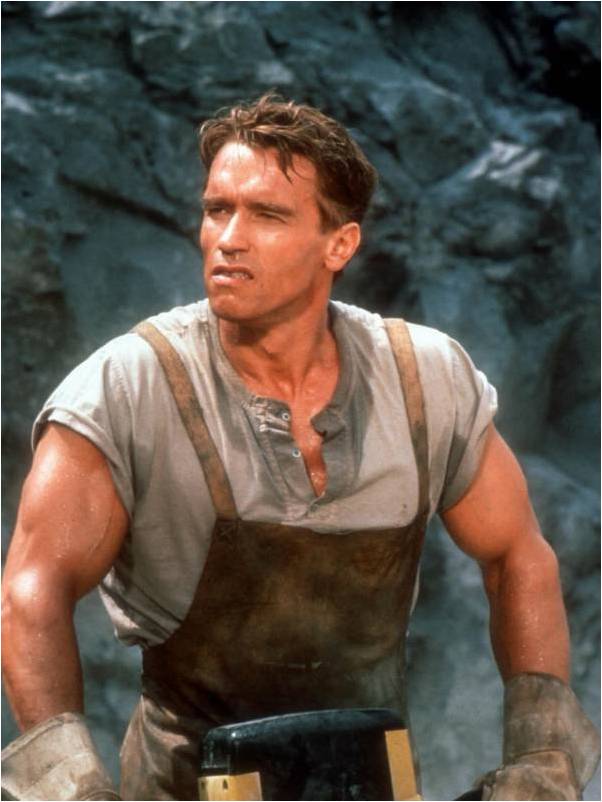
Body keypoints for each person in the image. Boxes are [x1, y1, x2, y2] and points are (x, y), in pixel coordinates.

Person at [1, 95, 598, 802]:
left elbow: (517, 555)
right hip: (184, 790)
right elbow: (31, 589)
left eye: (267, 215)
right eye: (217, 210)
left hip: (372, 785)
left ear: (339, 245)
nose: (229, 238)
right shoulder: (126, 388)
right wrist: (70, 788)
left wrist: (542, 755)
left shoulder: (425, 380)